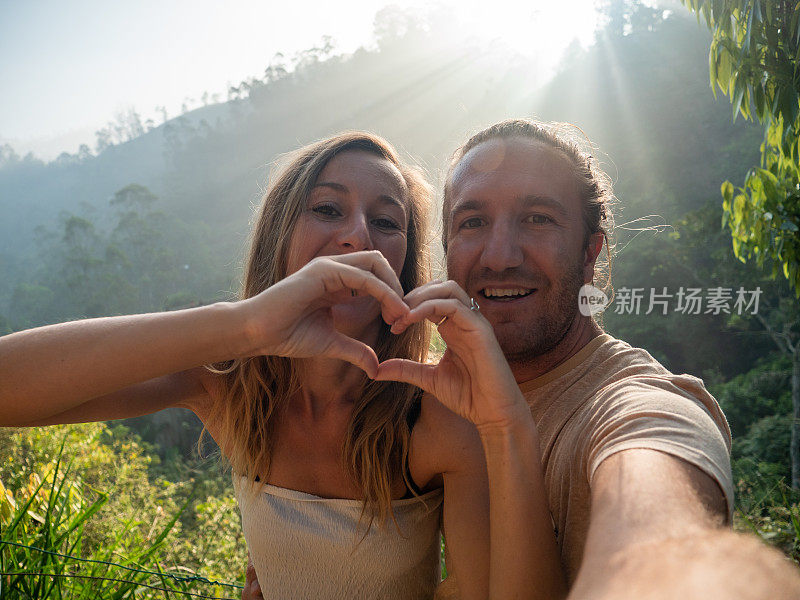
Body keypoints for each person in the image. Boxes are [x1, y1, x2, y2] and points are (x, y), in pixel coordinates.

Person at [243, 119, 800, 599]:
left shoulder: (636, 411)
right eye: (472, 223)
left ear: (590, 254)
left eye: (538, 219)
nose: (501, 255)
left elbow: (668, 542)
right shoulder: (422, 394)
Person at [0, 132, 565, 600]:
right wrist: (247, 324)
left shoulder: (432, 415)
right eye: (326, 209)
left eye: (388, 222)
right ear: (279, 240)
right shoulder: (225, 385)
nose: (356, 236)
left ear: (406, 262)